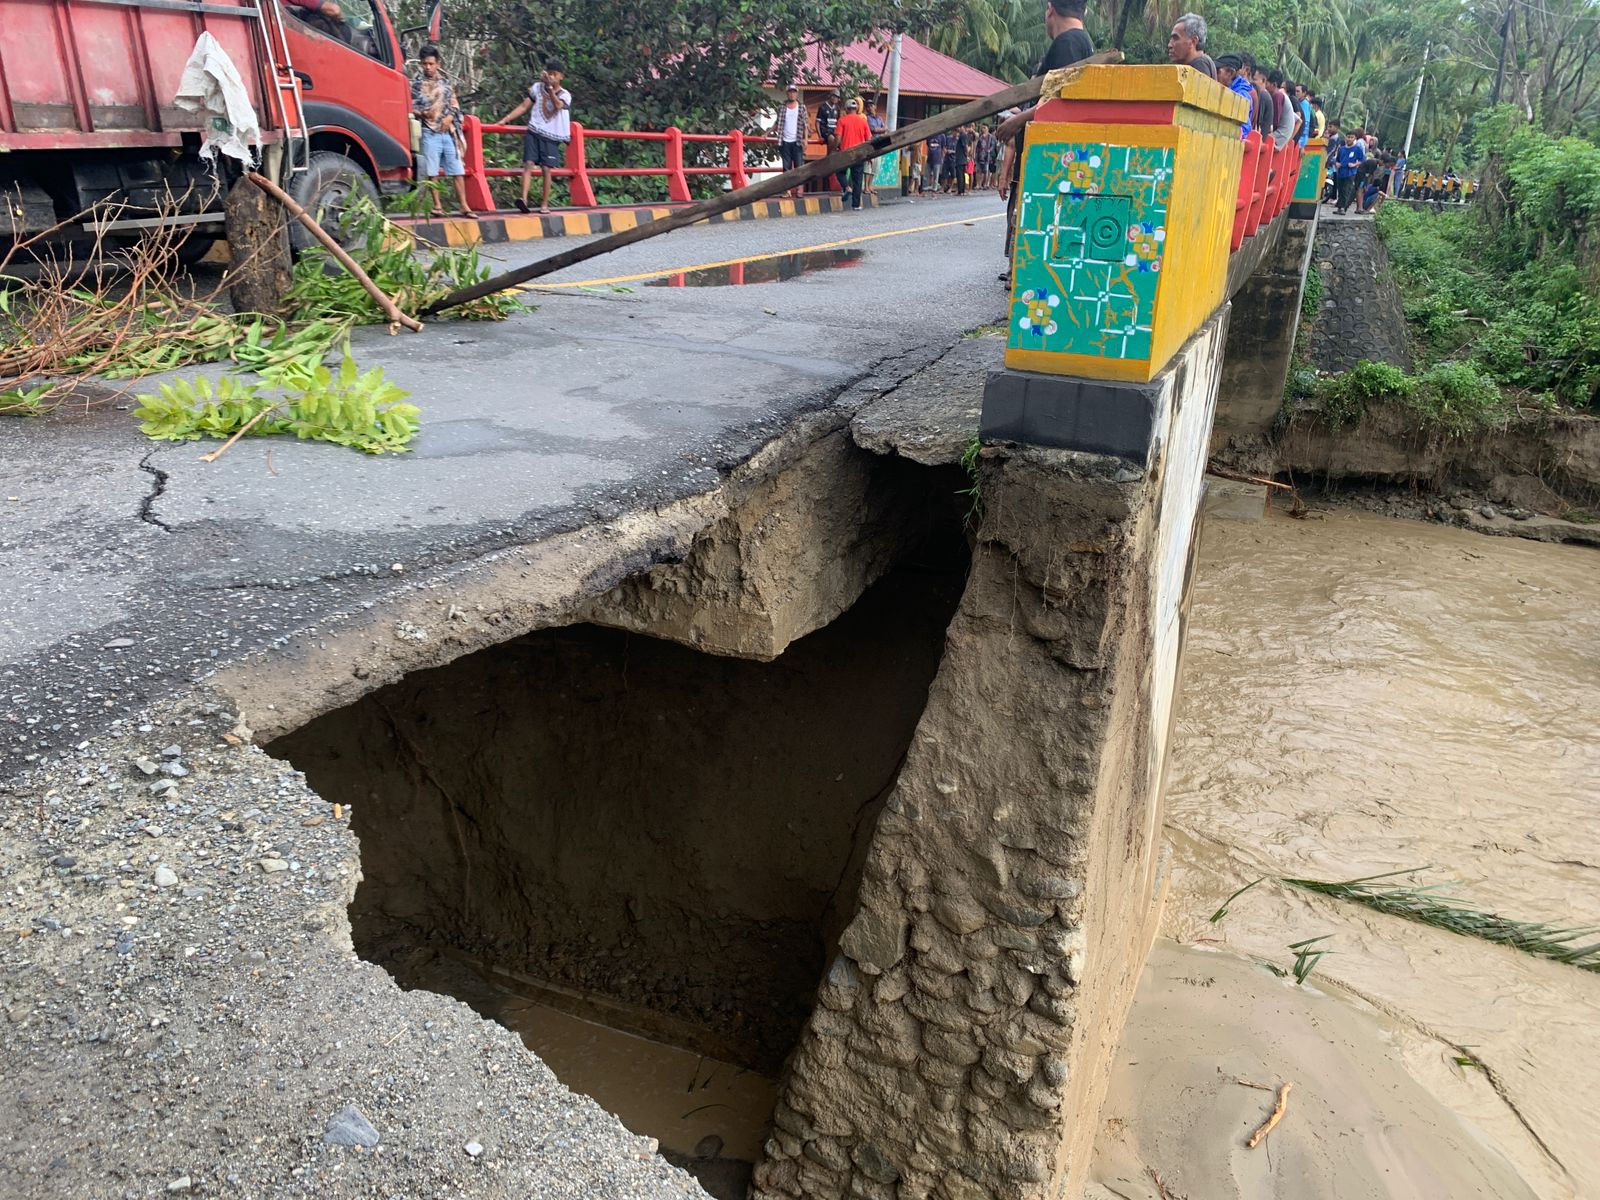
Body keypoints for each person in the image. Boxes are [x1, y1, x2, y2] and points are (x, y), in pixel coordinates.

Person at [996, 0, 1094, 275]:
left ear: (1050, 9)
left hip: (1052, 159)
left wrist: (1017, 121)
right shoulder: (1080, 41)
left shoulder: (1068, 43)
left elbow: (1061, 100)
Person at [497, 60, 571, 214]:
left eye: (554, 75)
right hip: (534, 130)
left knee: (546, 169)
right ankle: (523, 199)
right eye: (549, 73)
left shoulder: (565, 94)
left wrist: (550, 89)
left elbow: (558, 105)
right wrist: (506, 119)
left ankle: (544, 204)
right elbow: (524, 106)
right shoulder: (537, 88)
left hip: (551, 135)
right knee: (528, 164)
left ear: (561, 76)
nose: (551, 77)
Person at [411, 45, 475, 217]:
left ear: (438, 64)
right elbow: (410, 107)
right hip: (428, 130)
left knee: (457, 169)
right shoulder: (416, 84)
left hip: (447, 132)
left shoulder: (445, 83)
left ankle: (464, 205)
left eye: (431, 64)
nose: (428, 67)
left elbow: (455, 106)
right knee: (432, 171)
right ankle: (437, 205)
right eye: (425, 64)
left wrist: (449, 118)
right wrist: (423, 113)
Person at [834, 97, 872, 210]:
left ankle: (846, 187)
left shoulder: (842, 120)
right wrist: (869, 154)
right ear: (856, 109)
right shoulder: (863, 121)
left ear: (846, 109)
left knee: (839, 172)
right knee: (858, 180)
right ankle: (856, 205)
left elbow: (838, 138)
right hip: (859, 153)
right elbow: (869, 139)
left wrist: (835, 148)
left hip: (846, 153)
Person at [773, 85, 808, 196]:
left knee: (799, 167)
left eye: (794, 92)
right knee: (786, 167)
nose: (792, 94)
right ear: (787, 93)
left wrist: (805, 139)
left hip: (797, 141)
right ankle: (787, 190)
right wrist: (767, 133)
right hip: (785, 140)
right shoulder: (782, 107)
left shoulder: (801, 107)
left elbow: (805, 125)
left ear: (797, 94)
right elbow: (777, 123)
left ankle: (799, 189)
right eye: (790, 92)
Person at [1214, 54, 1254, 138]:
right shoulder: (1228, 90)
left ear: (1230, 73)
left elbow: (1244, 129)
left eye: (1217, 71)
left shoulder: (1241, 95)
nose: (1215, 75)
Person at [1168, 13, 1216, 79]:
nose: (1169, 45)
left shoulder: (1200, 64)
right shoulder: (1196, 64)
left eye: (1176, 38)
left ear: (1193, 41)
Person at [1332, 125, 1366, 213]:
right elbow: (1337, 160)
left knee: (1346, 190)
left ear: (1354, 138)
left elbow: (1362, 160)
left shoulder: (1357, 149)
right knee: (1340, 190)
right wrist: (1337, 164)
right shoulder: (1342, 149)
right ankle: (1339, 208)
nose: (1349, 139)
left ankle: (1343, 208)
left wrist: (1355, 164)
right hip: (1341, 172)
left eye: (1351, 137)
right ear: (1345, 137)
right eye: (1348, 137)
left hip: (1350, 173)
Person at [1292, 81, 1313, 146]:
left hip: (1300, 140)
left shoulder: (1305, 105)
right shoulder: (1297, 102)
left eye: (1298, 91)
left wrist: (1302, 144)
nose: (1295, 93)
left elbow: (1305, 125)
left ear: (1304, 93)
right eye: (1295, 91)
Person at [925, 130, 945, 194]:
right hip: (929, 158)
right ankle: (925, 188)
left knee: (936, 175)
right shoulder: (929, 135)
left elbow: (943, 148)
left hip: (937, 158)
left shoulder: (942, 136)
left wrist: (942, 158)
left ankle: (934, 189)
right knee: (926, 174)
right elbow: (928, 145)